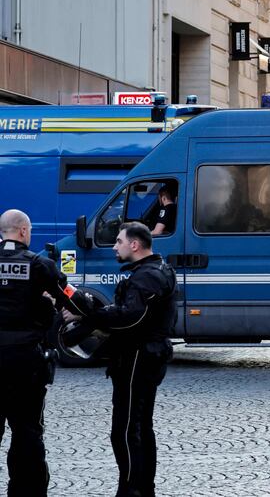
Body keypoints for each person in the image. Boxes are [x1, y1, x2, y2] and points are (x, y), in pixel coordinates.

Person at [64, 221, 177, 497]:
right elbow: (130, 311)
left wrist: (89, 315)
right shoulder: (155, 270)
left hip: (138, 357)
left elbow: (130, 317)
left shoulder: (146, 277)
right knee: (141, 426)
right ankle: (143, 488)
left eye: (119, 241)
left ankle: (130, 490)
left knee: (125, 430)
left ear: (134, 245)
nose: (115, 247)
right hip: (146, 355)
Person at [0, 209, 86, 496]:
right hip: (25, 362)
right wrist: (95, 314)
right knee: (27, 432)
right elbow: (72, 297)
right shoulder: (39, 264)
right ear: (24, 231)